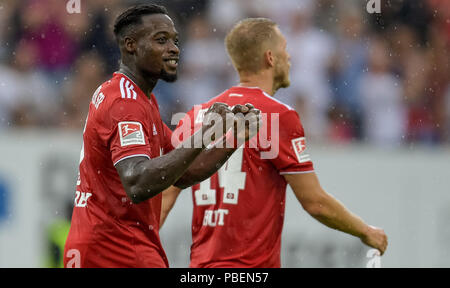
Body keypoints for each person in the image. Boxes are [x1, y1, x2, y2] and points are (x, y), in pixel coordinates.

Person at [162, 18, 388, 268]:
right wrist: (366, 231)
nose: (289, 57)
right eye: (284, 49)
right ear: (270, 57)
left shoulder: (196, 115)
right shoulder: (277, 115)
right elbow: (315, 202)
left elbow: (165, 196)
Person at [63, 4, 260, 268]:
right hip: (113, 251)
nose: (174, 48)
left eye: (176, 41)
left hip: (115, 245)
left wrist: (234, 137)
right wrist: (205, 134)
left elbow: (182, 173)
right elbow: (137, 182)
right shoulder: (125, 102)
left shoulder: (140, 99)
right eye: (161, 40)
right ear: (130, 45)